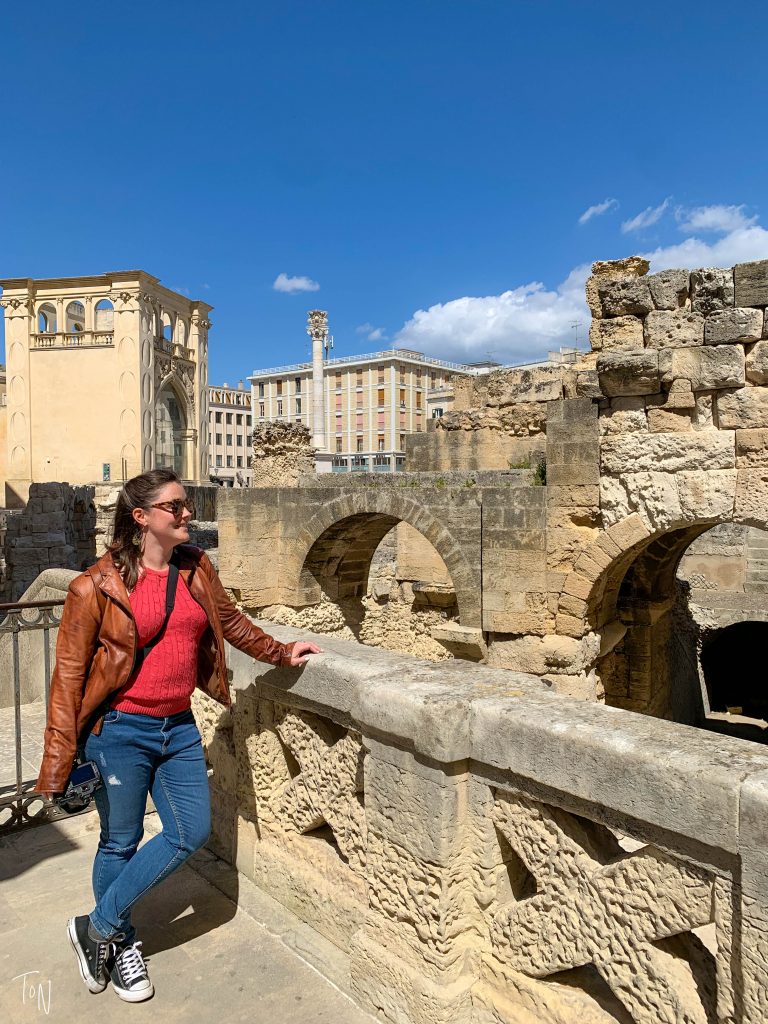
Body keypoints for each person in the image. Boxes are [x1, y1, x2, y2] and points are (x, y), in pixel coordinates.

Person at [35, 469, 321, 1002]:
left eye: (186, 505)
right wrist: (56, 765)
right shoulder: (91, 587)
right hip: (118, 732)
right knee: (119, 841)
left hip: (180, 727)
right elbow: (68, 679)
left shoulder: (195, 568)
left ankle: (95, 925)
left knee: (189, 831)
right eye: (174, 507)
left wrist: (282, 652)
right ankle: (120, 946)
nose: (186, 513)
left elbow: (230, 624)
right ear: (141, 518)